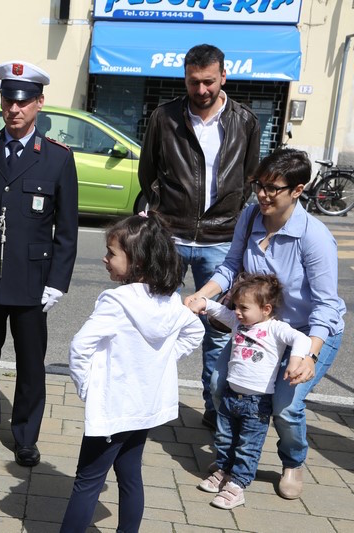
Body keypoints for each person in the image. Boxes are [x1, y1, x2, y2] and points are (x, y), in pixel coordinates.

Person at [185, 148, 346, 499]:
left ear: (297, 190)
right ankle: (229, 458)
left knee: (285, 407)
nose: (262, 194)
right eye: (259, 184)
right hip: (260, 326)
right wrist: (203, 295)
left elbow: (326, 307)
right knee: (218, 384)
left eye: (273, 188)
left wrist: (308, 354)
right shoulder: (250, 216)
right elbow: (229, 266)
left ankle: (292, 462)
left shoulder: (314, 237)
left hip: (307, 330)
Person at [138, 43, 261, 430]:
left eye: (209, 81)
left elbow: (250, 177)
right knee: (153, 322)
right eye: (194, 82)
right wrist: (158, 215)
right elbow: (148, 172)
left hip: (222, 240)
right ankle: (144, 401)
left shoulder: (245, 120)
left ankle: (215, 409)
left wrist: (233, 215)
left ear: (223, 76)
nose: (202, 89)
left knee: (220, 332)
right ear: (185, 78)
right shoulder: (164, 117)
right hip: (171, 235)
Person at [0, 61, 78, 467]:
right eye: (9, 100)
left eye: (24, 101)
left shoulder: (58, 158)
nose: (14, 109)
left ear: (39, 103)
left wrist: (57, 282)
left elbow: (66, 230)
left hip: (32, 280)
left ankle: (26, 437)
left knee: (31, 366)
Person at [61, 213, 203, 532]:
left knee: (87, 482)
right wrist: (160, 363)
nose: (105, 258)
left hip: (113, 408)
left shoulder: (116, 301)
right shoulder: (169, 300)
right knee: (130, 476)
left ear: (137, 261)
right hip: (143, 407)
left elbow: (80, 347)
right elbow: (195, 332)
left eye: (112, 253)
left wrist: (89, 388)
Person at [188, 273, 311, 509]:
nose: (237, 312)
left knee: (248, 445)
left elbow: (302, 339)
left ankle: (238, 485)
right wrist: (204, 302)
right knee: (224, 439)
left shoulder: (275, 328)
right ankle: (224, 470)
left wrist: (296, 361)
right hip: (230, 395)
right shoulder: (238, 322)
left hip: (257, 403)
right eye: (236, 306)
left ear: (265, 309)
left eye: (243, 307)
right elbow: (220, 312)